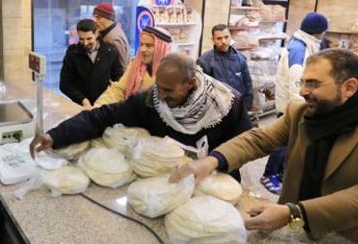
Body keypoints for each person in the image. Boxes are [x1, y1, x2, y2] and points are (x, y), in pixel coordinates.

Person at [170, 48, 358, 244]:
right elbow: (259, 140)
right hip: (293, 232)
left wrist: (294, 213)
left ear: (349, 87)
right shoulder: (301, 112)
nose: (303, 91)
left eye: (313, 84)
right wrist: (213, 160)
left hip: (346, 243)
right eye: (303, 82)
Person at [31, 52, 251, 181]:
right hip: (166, 182)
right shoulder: (149, 101)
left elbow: (245, 146)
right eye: (158, 87)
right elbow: (102, 117)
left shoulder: (226, 104)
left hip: (213, 184)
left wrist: (214, 164)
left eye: (168, 90)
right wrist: (55, 135)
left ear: (190, 83)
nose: (161, 96)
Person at [262, 12, 330, 194]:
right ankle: (270, 174)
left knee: (287, 143)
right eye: (324, 31)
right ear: (318, 31)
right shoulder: (300, 49)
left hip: (290, 103)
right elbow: (296, 83)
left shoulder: (303, 44)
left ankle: (277, 173)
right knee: (283, 142)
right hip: (291, 105)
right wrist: (301, 109)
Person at [94, 26, 172, 107]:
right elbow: (119, 90)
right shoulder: (135, 65)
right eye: (141, 44)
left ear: (161, 48)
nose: (142, 49)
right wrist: (97, 107)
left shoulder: (172, 72)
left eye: (149, 46)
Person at [59, 19, 123, 109]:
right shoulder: (72, 53)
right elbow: (64, 84)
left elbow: (119, 80)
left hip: (103, 106)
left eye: (89, 39)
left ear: (96, 34)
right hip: (80, 106)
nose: (85, 43)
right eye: (81, 39)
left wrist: (109, 99)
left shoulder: (110, 52)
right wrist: (83, 100)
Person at [197, 24, 253, 110]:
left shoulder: (240, 58)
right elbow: (201, 90)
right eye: (219, 38)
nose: (223, 41)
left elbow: (248, 84)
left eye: (226, 37)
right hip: (216, 109)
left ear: (231, 37)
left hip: (238, 106)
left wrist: (247, 108)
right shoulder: (204, 61)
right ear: (213, 40)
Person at [92, 2, 131, 70]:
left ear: (109, 18)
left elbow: (122, 67)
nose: (95, 21)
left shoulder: (114, 38)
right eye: (95, 17)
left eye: (98, 18)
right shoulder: (107, 32)